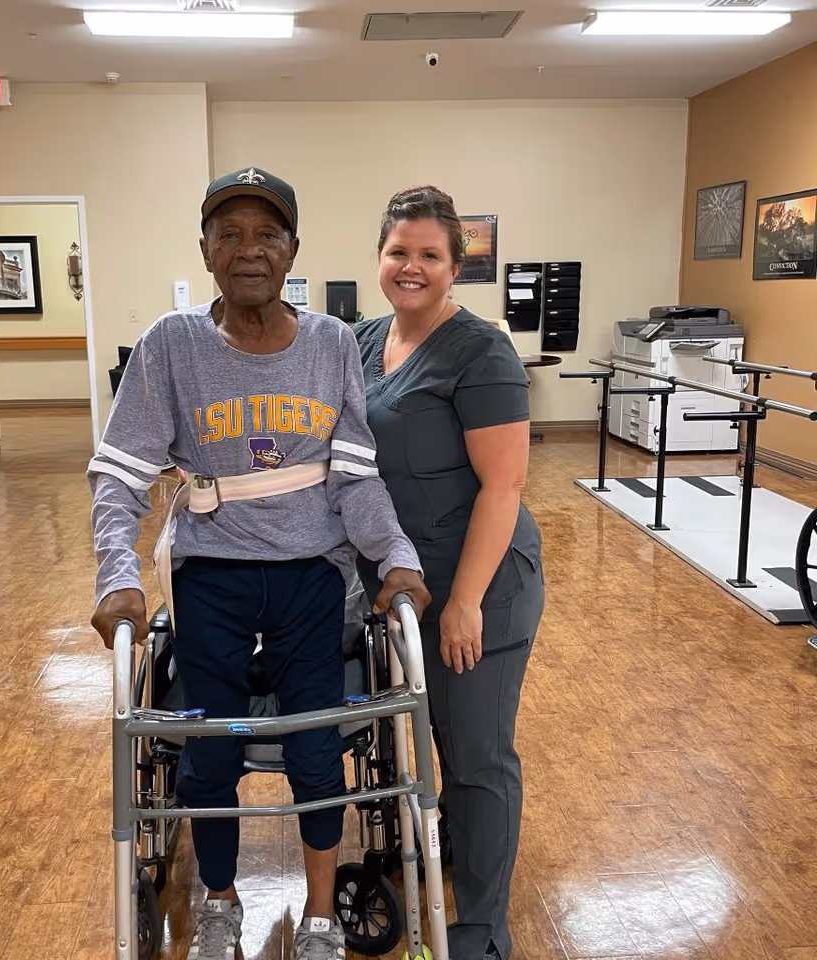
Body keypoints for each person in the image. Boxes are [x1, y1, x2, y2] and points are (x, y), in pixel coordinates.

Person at [87, 168, 430, 960]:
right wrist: (118, 574)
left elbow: (356, 476)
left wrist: (398, 558)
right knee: (209, 751)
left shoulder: (332, 343)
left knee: (317, 750)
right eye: (229, 234)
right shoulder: (171, 347)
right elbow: (121, 475)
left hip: (313, 576)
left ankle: (318, 917)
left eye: (266, 234)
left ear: (292, 252)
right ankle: (219, 903)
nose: (248, 250)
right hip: (212, 576)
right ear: (205, 250)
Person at [354, 186, 545, 960]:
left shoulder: (482, 351)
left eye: (430, 254)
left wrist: (463, 602)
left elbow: (505, 486)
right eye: (399, 251)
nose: (411, 266)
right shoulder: (366, 340)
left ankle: (483, 926)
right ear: (380, 257)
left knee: (473, 753)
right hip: (401, 585)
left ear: (455, 266)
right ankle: (438, 860)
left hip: (479, 583)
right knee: (418, 737)